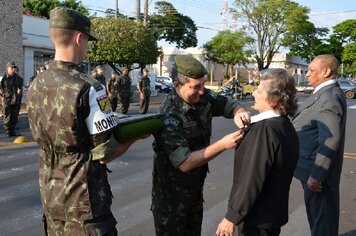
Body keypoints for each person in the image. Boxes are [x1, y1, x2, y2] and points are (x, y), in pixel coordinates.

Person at [26, 7, 146, 235]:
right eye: (88, 41)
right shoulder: (89, 87)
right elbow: (105, 153)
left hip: (51, 198)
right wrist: (136, 136)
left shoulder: (36, 83)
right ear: (80, 38)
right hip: (85, 205)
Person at [151, 55, 249, 235]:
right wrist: (222, 144)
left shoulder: (203, 96)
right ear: (176, 85)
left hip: (195, 191)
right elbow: (185, 162)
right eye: (196, 87)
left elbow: (228, 103)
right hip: (171, 199)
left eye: (203, 85)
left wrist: (239, 111)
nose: (202, 91)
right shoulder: (168, 115)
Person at [216, 68, 299, 236]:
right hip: (271, 215)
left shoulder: (265, 130)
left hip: (257, 218)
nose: (253, 94)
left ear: (274, 99)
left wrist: (232, 217)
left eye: (259, 91)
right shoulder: (284, 125)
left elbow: (252, 178)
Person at [292, 54, 347, 236]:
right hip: (309, 170)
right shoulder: (322, 93)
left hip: (317, 175)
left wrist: (317, 175)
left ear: (326, 71)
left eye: (311, 70)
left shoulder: (329, 98)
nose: (307, 74)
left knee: (322, 222)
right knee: (318, 218)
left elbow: (330, 139)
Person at [0, 62, 23, 137]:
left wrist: (19, 95)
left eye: (14, 68)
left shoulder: (17, 78)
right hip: (7, 100)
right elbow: (1, 89)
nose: (13, 69)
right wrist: (2, 97)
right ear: (8, 68)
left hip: (15, 99)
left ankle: (12, 130)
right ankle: (8, 131)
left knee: (14, 116)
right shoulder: (4, 78)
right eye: (11, 68)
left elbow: (20, 87)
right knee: (7, 115)